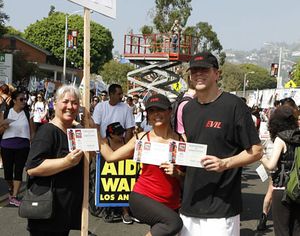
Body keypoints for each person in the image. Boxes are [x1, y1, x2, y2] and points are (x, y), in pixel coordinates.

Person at [180, 52, 262, 236]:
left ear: (217, 74)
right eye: (194, 71)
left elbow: (256, 151)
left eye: (204, 70)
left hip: (221, 208)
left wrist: (224, 163)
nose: (198, 74)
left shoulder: (234, 106)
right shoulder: (188, 109)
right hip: (190, 204)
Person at [99, 94, 184, 236]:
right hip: (143, 198)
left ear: (169, 111)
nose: (156, 114)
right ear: (148, 115)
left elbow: (188, 179)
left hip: (171, 204)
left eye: (160, 109)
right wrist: (94, 131)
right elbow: (110, 157)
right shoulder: (141, 138)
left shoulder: (182, 141)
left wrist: (178, 173)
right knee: (174, 224)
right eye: (151, 111)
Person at [25, 85, 84, 235]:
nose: (70, 106)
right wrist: (66, 162)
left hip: (64, 212)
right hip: (47, 214)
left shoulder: (74, 133)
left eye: (75, 102)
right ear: (55, 103)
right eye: (65, 102)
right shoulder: (47, 131)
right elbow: (32, 167)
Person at [92, 83, 135, 224]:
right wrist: (100, 145)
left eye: (122, 93)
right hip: (104, 146)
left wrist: (126, 147)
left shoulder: (127, 109)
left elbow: (129, 128)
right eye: (118, 94)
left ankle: (125, 211)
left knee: (122, 179)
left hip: (121, 146)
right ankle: (106, 209)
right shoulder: (100, 107)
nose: (121, 96)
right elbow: (96, 127)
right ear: (110, 94)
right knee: (104, 179)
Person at [260, 105, 300, 236]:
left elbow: (271, 166)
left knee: (282, 229)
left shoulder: (280, 139)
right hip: (297, 188)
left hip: (282, 188)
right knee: (296, 228)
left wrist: (262, 157)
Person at [0, 90, 34, 206]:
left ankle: (14, 196)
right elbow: (0, 131)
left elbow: (32, 132)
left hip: (23, 146)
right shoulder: (6, 112)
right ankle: (11, 187)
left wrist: (32, 143)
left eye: (25, 99)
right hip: (7, 145)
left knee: (18, 171)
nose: (24, 101)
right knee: (8, 173)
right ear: (14, 100)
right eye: (21, 99)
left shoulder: (28, 113)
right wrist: (4, 126)